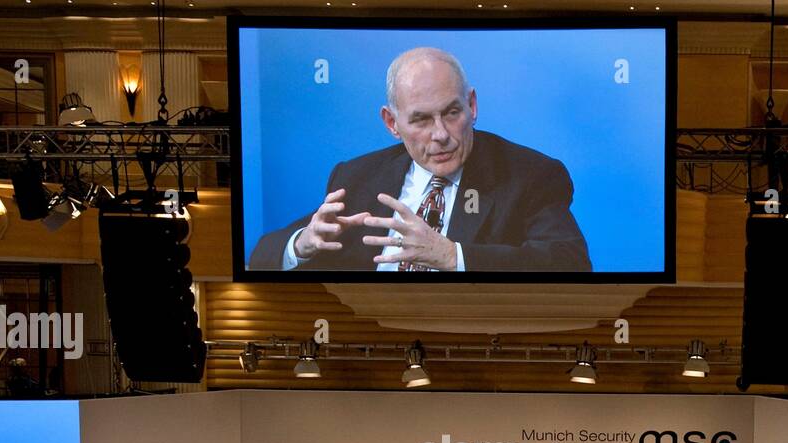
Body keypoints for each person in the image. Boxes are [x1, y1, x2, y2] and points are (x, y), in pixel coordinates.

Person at [247, 47, 590, 273]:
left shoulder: (529, 175)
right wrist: (303, 243)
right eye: (421, 120)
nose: (440, 134)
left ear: (471, 105)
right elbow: (260, 258)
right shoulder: (357, 177)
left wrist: (452, 256)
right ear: (392, 123)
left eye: (452, 112)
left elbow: (570, 262)